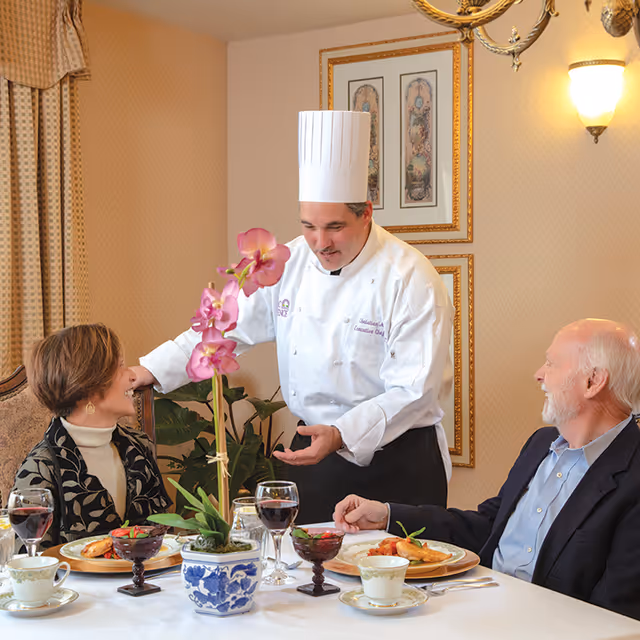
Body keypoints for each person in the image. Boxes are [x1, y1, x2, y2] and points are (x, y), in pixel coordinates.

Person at [133, 110, 454, 523]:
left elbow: (415, 390)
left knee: (404, 581)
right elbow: (224, 325)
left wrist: (341, 433)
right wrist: (149, 370)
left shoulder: (411, 277)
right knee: (310, 579)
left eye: (335, 227)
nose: (320, 243)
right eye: (309, 226)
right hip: (315, 459)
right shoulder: (288, 263)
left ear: (367, 212)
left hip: (400, 461)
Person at [334, 318, 640, 620]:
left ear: (593, 381)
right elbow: (488, 525)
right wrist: (387, 514)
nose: (539, 375)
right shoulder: (540, 444)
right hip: (476, 605)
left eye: (551, 364)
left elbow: (616, 615)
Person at [11, 324, 171, 548]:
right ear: (89, 386)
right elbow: (32, 566)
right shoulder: (40, 469)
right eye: (121, 367)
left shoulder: (140, 447)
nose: (132, 376)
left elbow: (166, 543)